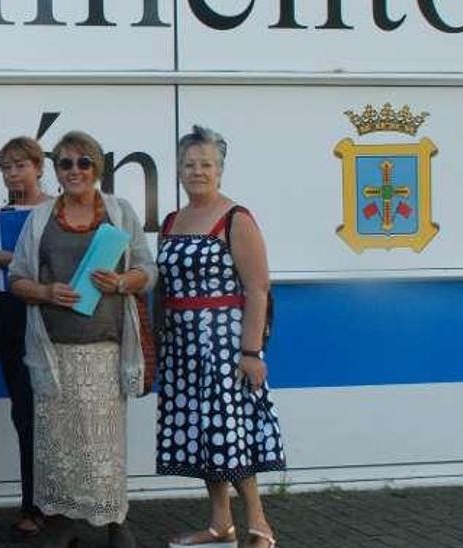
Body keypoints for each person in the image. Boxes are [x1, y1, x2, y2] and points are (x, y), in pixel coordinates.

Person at [7, 130, 154, 548]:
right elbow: (17, 278)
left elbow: (148, 270)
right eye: (66, 163)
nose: (75, 171)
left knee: (104, 445)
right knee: (57, 447)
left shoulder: (120, 213)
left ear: (97, 168)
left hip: (105, 352)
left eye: (83, 162)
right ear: (55, 170)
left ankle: (113, 521)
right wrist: (45, 292)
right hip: (53, 352)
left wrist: (122, 281)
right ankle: (62, 522)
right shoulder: (40, 218)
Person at [158, 126, 285, 548]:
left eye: (206, 164)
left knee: (231, 432)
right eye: (189, 164)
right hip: (183, 345)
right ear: (178, 170)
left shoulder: (236, 218)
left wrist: (251, 352)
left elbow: (258, 289)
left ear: (220, 170)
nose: (197, 171)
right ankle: (219, 524)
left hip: (225, 344)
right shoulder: (172, 220)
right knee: (202, 433)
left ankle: (259, 524)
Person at [0, 136, 53, 539]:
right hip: (10, 316)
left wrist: (14, 261)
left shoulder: (57, 210)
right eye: (6, 168)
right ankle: (32, 505)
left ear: (38, 166)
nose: (13, 173)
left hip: (50, 317)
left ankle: (59, 506)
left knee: (53, 416)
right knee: (24, 414)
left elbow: (65, 265)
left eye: (20, 165)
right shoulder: (1, 215)